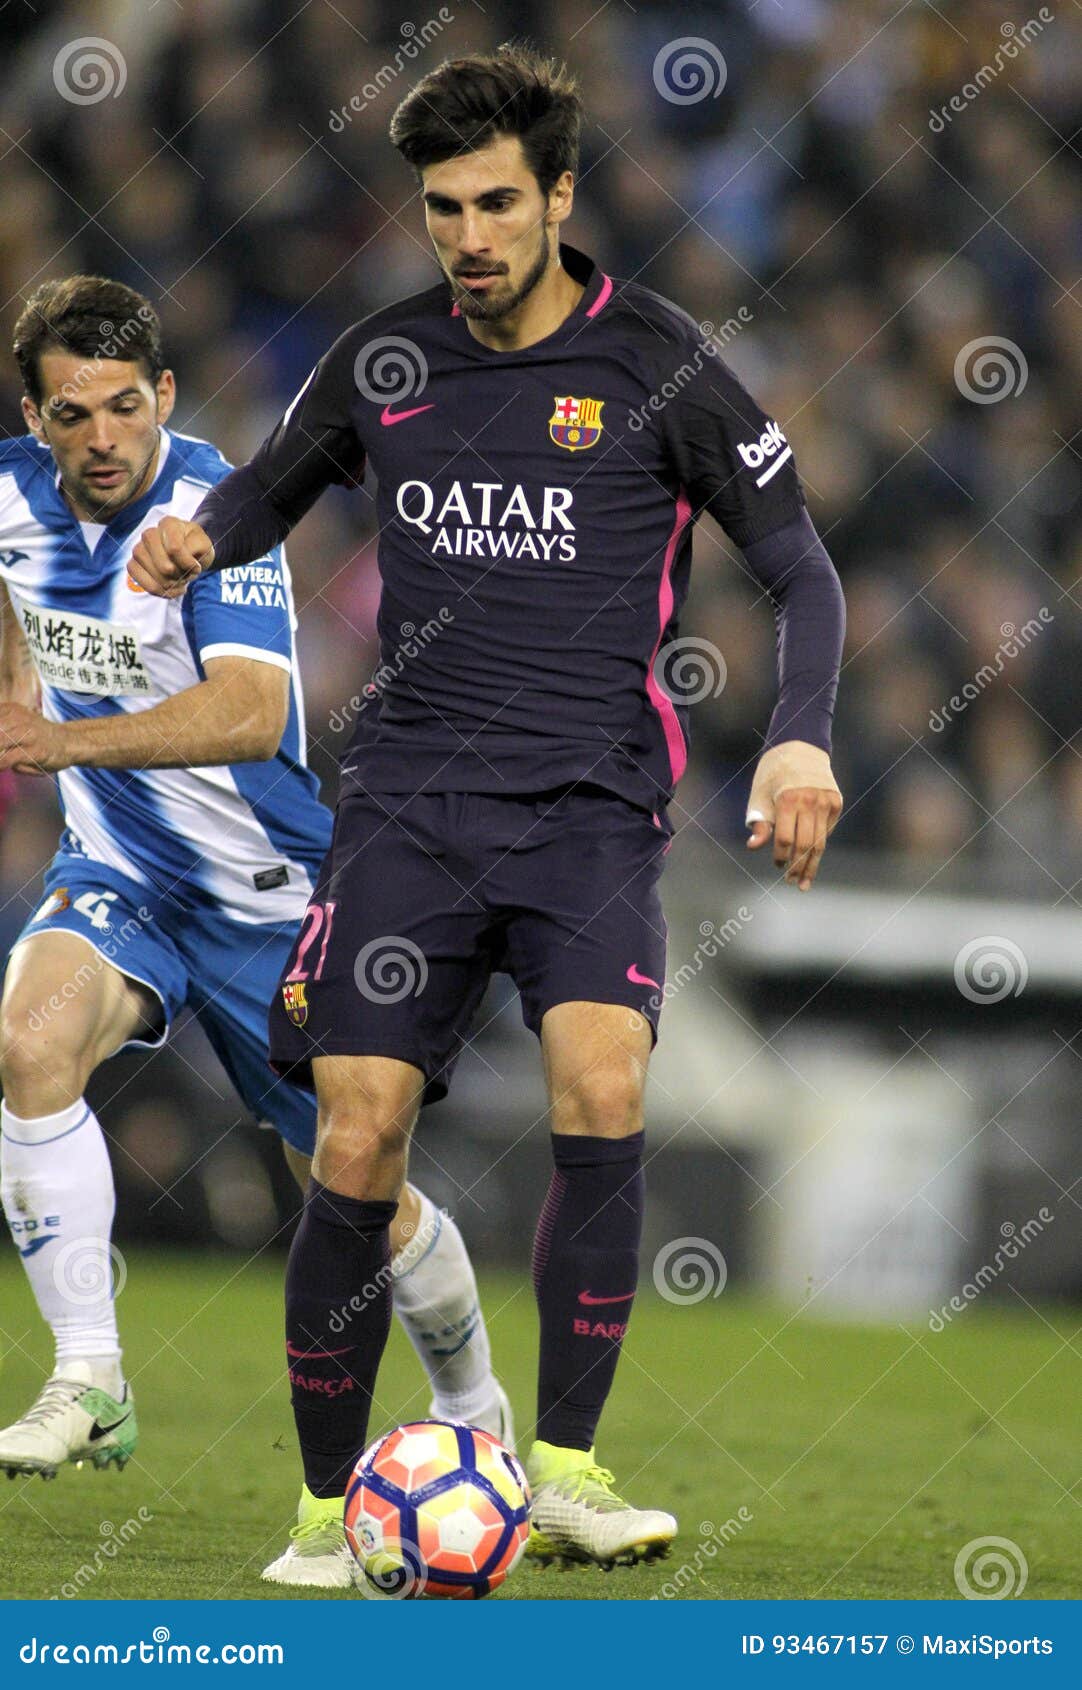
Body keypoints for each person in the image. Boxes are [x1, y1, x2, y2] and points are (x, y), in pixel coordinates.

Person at [131, 44, 845, 1573]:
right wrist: (202, 537)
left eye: (498, 201)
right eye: (444, 205)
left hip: (588, 805)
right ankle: (330, 1508)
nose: (468, 233)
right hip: (410, 808)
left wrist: (795, 742)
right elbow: (275, 482)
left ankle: (568, 1468)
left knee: (601, 1086)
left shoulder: (655, 361)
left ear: (560, 197)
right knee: (357, 1130)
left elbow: (798, 563)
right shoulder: (386, 358)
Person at [0, 276, 509, 1590]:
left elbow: (243, 713)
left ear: (163, 397)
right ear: (35, 417)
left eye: (126, 405)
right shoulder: (10, 494)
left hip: (272, 900)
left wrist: (54, 736)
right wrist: (15, 674)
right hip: (120, 877)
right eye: (73, 413)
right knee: (31, 1037)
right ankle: (89, 1378)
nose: (102, 433)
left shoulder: (218, 510)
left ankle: (477, 1413)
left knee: (357, 1196)